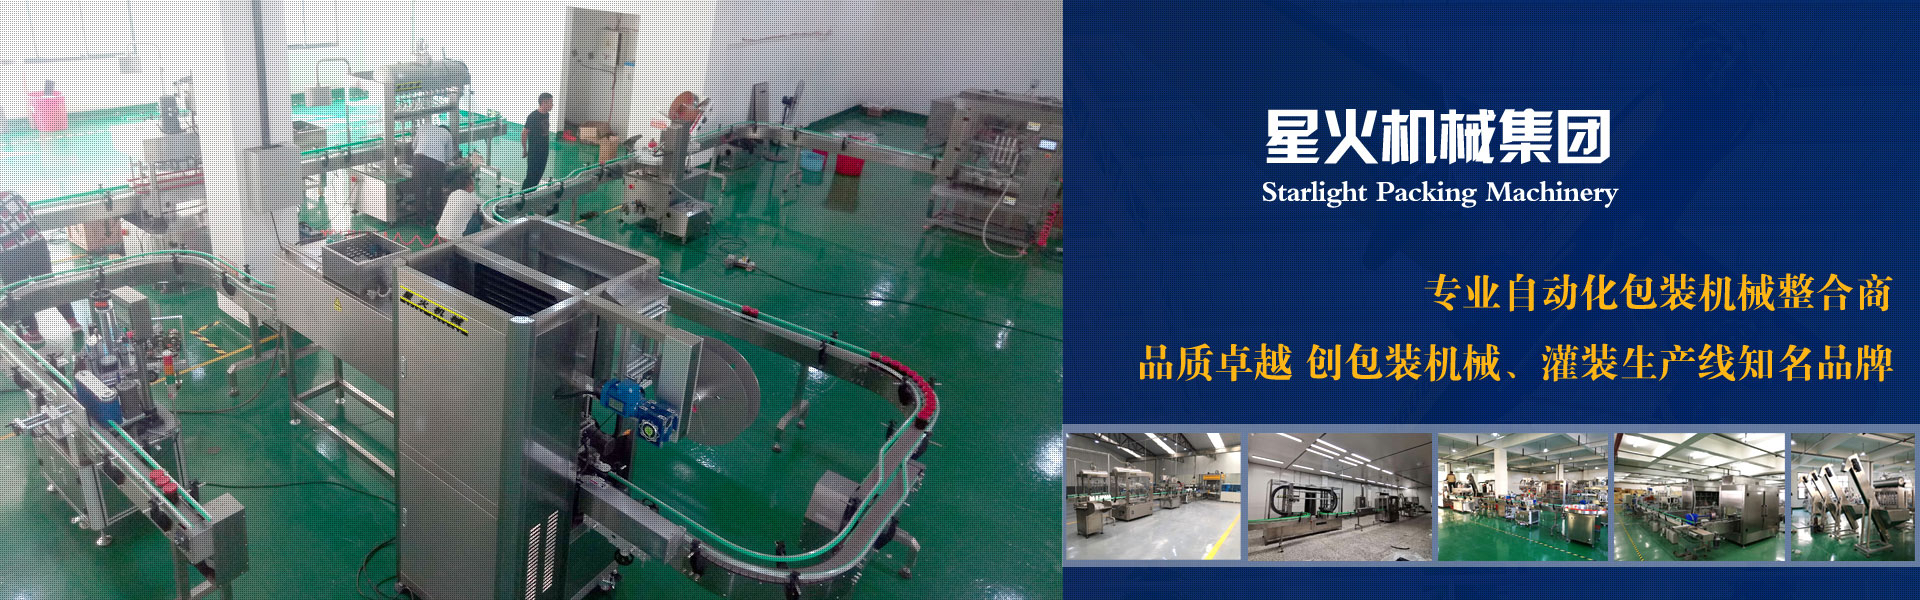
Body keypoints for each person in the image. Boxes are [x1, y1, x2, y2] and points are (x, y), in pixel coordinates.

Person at [0, 191, 82, 347]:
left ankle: (34, 334)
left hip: (9, 254)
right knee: (49, 284)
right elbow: (31, 214)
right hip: (37, 246)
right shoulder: (13, 195)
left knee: (18, 293)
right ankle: (73, 322)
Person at [409, 122, 459, 221]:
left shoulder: (424, 126)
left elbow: (414, 146)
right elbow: (449, 156)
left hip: (419, 160)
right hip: (437, 164)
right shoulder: (447, 134)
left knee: (420, 190)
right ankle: (437, 217)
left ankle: (421, 219)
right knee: (436, 190)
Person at [436, 174, 486, 241]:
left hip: (441, 233)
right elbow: (482, 207)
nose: (474, 186)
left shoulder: (453, 194)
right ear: (469, 186)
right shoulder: (471, 197)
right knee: (477, 218)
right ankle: (477, 240)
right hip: (454, 239)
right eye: (473, 184)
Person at [522, 92, 554, 191]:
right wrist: (525, 149)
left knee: (539, 175)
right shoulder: (533, 116)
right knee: (531, 175)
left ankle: (532, 194)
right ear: (543, 103)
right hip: (535, 151)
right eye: (550, 102)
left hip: (544, 150)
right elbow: (524, 133)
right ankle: (523, 195)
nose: (552, 105)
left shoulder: (547, 114)